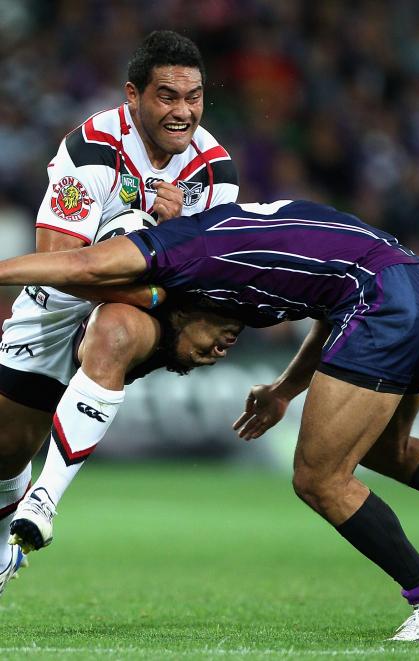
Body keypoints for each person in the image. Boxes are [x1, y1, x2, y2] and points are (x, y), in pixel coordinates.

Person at [1, 199, 419, 642]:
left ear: (177, 306)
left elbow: (79, 263)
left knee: (320, 479)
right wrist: (284, 390)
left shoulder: (176, 254)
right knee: (390, 449)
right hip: (417, 284)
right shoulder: (237, 293)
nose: (218, 351)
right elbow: (328, 301)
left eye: (203, 348)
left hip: (384, 297)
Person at [0, 30, 238, 595]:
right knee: (6, 448)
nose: (183, 112)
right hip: (57, 305)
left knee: (115, 328)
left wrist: (163, 262)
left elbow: (205, 282)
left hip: (142, 315)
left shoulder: (215, 171)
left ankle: (45, 501)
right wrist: (151, 242)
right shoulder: (93, 147)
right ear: (133, 95)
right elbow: (58, 262)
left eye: (194, 97)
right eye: (167, 97)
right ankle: (9, 533)